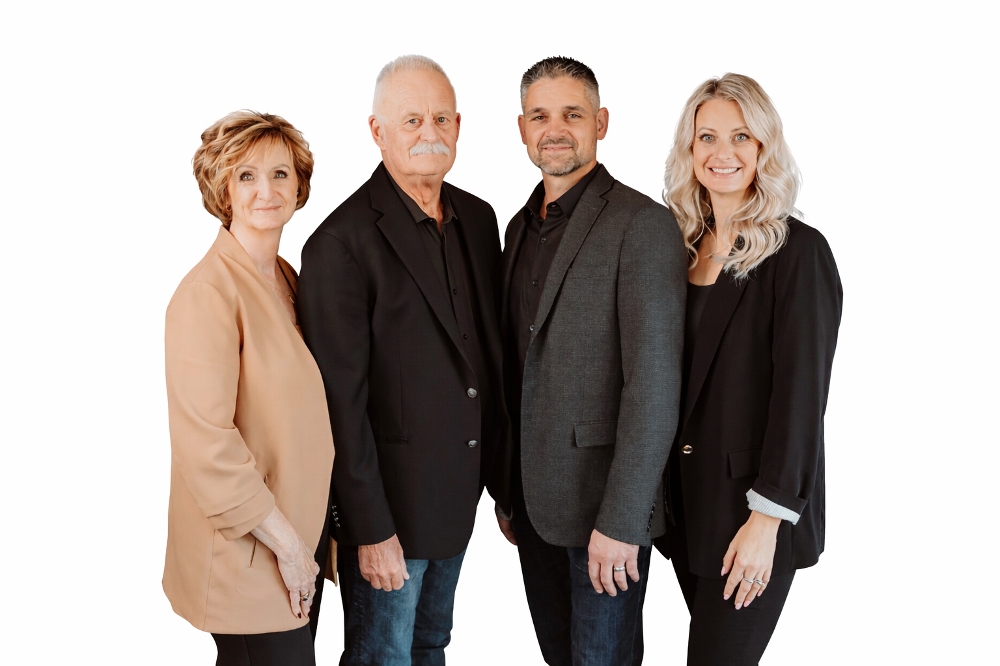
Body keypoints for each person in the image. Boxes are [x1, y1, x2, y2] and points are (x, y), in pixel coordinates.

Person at [297, 55, 508, 666]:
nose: (429, 132)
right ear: (377, 131)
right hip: (388, 514)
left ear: (459, 126)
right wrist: (369, 529)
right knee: (381, 657)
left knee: (430, 646)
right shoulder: (339, 244)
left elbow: (486, 361)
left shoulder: (478, 218)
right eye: (411, 119)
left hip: (458, 497)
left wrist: (505, 486)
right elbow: (340, 405)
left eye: (441, 118)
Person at [494, 56, 687, 666]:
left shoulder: (643, 225)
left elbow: (654, 387)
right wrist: (507, 493)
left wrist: (624, 521)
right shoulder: (517, 228)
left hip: (605, 514)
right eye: (539, 116)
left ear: (600, 123)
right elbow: (518, 367)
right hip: (532, 507)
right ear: (521, 129)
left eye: (572, 115)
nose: (555, 129)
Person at [654, 73, 843, 665]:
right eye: (706, 137)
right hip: (686, 513)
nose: (723, 152)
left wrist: (767, 521)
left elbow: (801, 399)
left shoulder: (798, 252)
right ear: (689, 149)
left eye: (741, 136)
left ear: (764, 146)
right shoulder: (678, 248)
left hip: (751, 518)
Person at [163, 111, 335, 666]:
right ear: (223, 190)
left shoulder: (287, 277)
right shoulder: (208, 294)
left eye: (281, 174)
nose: (267, 190)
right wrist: (288, 547)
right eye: (246, 176)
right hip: (251, 547)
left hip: (298, 536)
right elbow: (207, 446)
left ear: (299, 185)